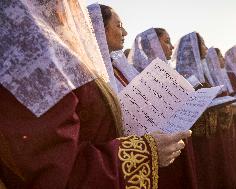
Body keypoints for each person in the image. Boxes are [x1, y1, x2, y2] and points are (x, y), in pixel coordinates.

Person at [0, 1, 191, 188]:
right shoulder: (30, 62)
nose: (73, 9)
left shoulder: (68, 61)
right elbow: (55, 173)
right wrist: (145, 151)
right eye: (119, 26)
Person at [88, 4, 198, 189]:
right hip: (120, 165)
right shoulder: (90, 73)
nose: (124, 32)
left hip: (148, 152)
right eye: (118, 25)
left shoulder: (120, 68)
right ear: (101, 28)